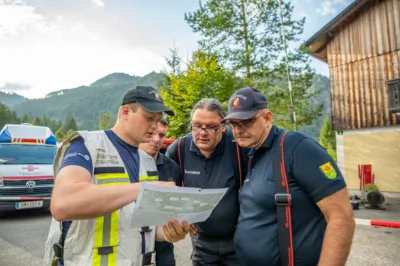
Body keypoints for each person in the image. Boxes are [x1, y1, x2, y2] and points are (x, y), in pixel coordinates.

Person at [44, 85, 190, 266]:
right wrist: (145, 188)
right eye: (149, 118)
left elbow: (147, 227)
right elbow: (63, 204)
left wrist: (168, 233)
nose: (154, 125)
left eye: (159, 119)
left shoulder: (147, 162)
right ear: (126, 112)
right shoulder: (85, 145)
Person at [222, 87, 356, 266]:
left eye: (246, 122)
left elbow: (342, 218)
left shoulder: (298, 148)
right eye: (234, 123)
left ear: (267, 118)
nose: (238, 130)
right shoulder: (253, 153)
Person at [166, 98, 248, 266]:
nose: (203, 132)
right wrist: (183, 215)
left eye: (211, 127)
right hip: (202, 243)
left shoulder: (239, 147)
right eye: (197, 125)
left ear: (224, 127)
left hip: (238, 241)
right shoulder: (179, 149)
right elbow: (167, 190)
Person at [139, 113, 181, 266]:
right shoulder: (126, 165)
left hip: (164, 251)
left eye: (162, 135)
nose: (156, 139)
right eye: (151, 134)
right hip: (133, 249)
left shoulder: (173, 168)